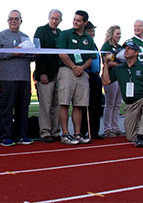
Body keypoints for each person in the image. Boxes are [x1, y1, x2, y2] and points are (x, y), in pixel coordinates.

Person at [101, 40, 143, 147]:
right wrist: (106, 65)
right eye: (125, 48)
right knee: (130, 137)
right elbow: (106, 81)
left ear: (136, 52)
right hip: (130, 104)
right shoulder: (119, 69)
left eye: (129, 49)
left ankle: (141, 136)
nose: (126, 50)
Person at [0, 10, 34, 147]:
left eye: (16, 19)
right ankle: (5, 136)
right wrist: (13, 52)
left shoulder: (26, 38)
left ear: (21, 21)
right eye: (11, 19)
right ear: (7, 21)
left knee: (23, 108)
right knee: (7, 108)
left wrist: (34, 54)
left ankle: (21, 135)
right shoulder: (2, 35)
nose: (14, 21)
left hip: (24, 78)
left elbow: (30, 56)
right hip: (7, 78)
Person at [56, 10, 96, 145]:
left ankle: (77, 133)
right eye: (74, 19)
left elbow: (91, 57)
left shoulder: (88, 39)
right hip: (67, 70)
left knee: (79, 104)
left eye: (79, 20)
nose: (75, 22)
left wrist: (82, 68)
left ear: (85, 22)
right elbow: (62, 54)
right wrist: (73, 67)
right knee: (64, 102)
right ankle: (65, 134)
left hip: (82, 73)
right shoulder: (65, 34)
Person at [33, 9, 62, 143]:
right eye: (52, 18)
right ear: (48, 18)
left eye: (57, 19)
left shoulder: (61, 34)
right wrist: (42, 72)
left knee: (57, 103)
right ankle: (45, 131)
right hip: (45, 73)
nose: (54, 21)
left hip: (59, 73)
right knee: (46, 104)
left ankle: (55, 131)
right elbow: (38, 53)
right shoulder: (41, 31)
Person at [80, 21, 103, 139]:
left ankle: (94, 131)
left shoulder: (93, 44)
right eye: (90, 31)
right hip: (87, 75)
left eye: (93, 31)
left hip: (96, 76)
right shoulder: (84, 43)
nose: (92, 33)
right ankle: (84, 130)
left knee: (96, 105)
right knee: (86, 105)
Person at [101, 25, 123, 137]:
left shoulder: (120, 47)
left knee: (118, 103)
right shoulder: (107, 46)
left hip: (120, 77)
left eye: (120, 34)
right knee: (110, 103)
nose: (119, 36)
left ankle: (115, 127)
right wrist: (120, 64)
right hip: (110, 76)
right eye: (117, 33)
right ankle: (107, 128)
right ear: (111, 34)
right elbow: (107, 62)